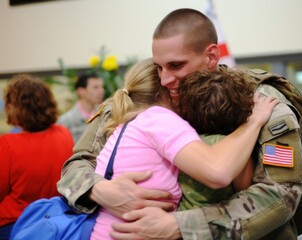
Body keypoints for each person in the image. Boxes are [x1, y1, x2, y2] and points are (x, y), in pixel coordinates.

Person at [57, 8, 302, 240]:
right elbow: (76, 164)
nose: (165, 79)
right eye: (158, 67)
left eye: (176, 65)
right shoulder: (146, 94)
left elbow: (281, 195)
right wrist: (99, 190)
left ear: (211, 56)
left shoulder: (261, 104)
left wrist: (181, 226)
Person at [89, 58, 277, 239]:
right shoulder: (159, 119)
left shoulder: (129, 123)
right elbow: (218, 171)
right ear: (171, 91)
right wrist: (252, 123)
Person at [0, 74, 74, 240]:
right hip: (58, 217)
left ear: (15, 107)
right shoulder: (63, 133)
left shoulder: (7, 144)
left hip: (17, 223)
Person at [58, 73, 105, 142]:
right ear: (81, 91)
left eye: (102, 87)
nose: (101, 91)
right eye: (95, 87)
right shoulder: (66, 121)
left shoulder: (105, 114)